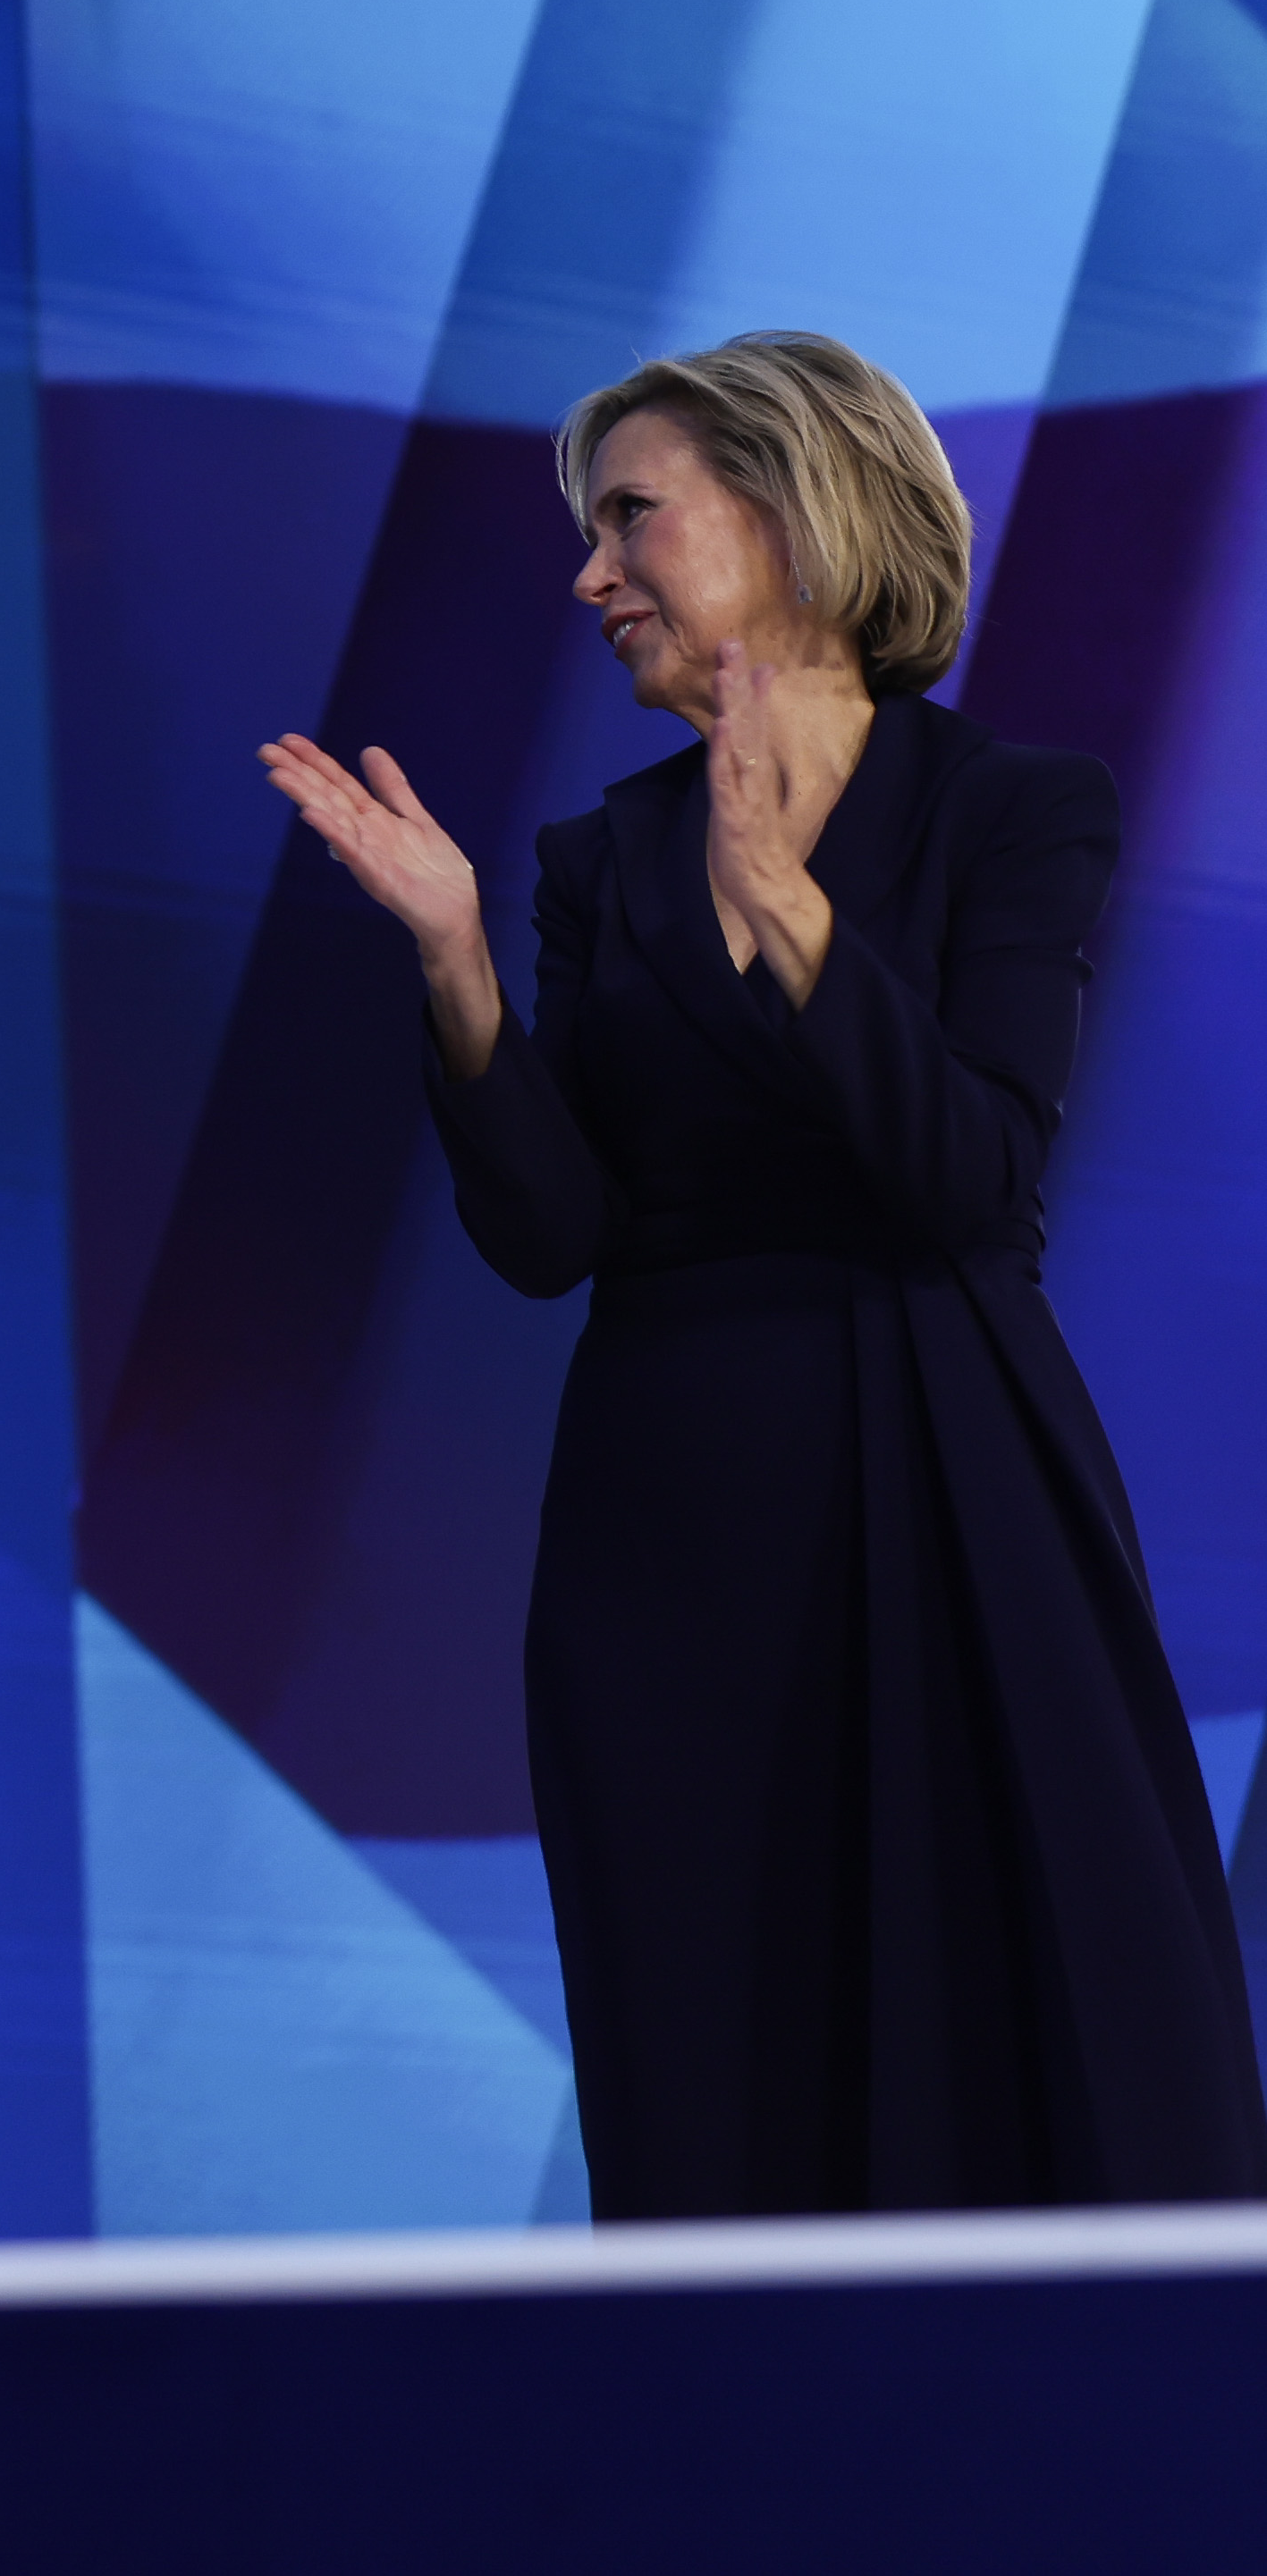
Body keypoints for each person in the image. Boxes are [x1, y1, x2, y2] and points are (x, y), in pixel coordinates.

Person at [261, 331, 1267, 2217]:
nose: (589, 573)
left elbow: (972, 1176)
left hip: (948, 1472)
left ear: (793, 515)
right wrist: (460, 965)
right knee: (716, 2044)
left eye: (630, 517)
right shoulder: (600, 855)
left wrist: (789, 919)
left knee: (1027, 2024)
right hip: (675, 1523)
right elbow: (556, 1237)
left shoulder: (1011, 809)